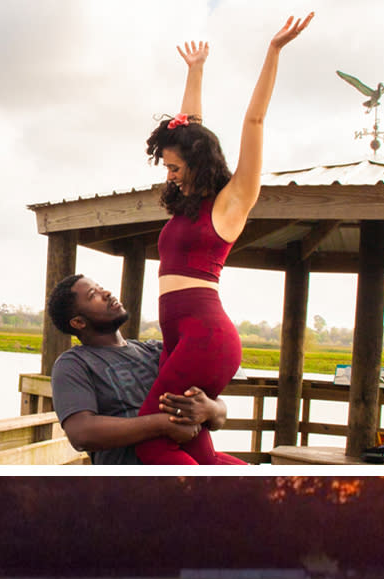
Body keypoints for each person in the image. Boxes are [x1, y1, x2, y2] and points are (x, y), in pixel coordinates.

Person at [132, 14, 315, 464]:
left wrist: (273, 51)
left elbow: (253, 120)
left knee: (150, 438)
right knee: (194, 445)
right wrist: (195, 71)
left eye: (174, 167)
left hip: (206, 336)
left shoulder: (232, 201)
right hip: (180, 336)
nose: (170, 176)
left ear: (197, 162)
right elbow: (189, 125)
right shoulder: (187, 202)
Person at [48, 273, 243, 465]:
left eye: (100, 287)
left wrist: (209, 409)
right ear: (79, 322)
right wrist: (162, 425)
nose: (106, 293)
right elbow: (82, 433)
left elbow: (220, 414)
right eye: (93, 295)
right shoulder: (74, 364)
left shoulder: (157, 351)